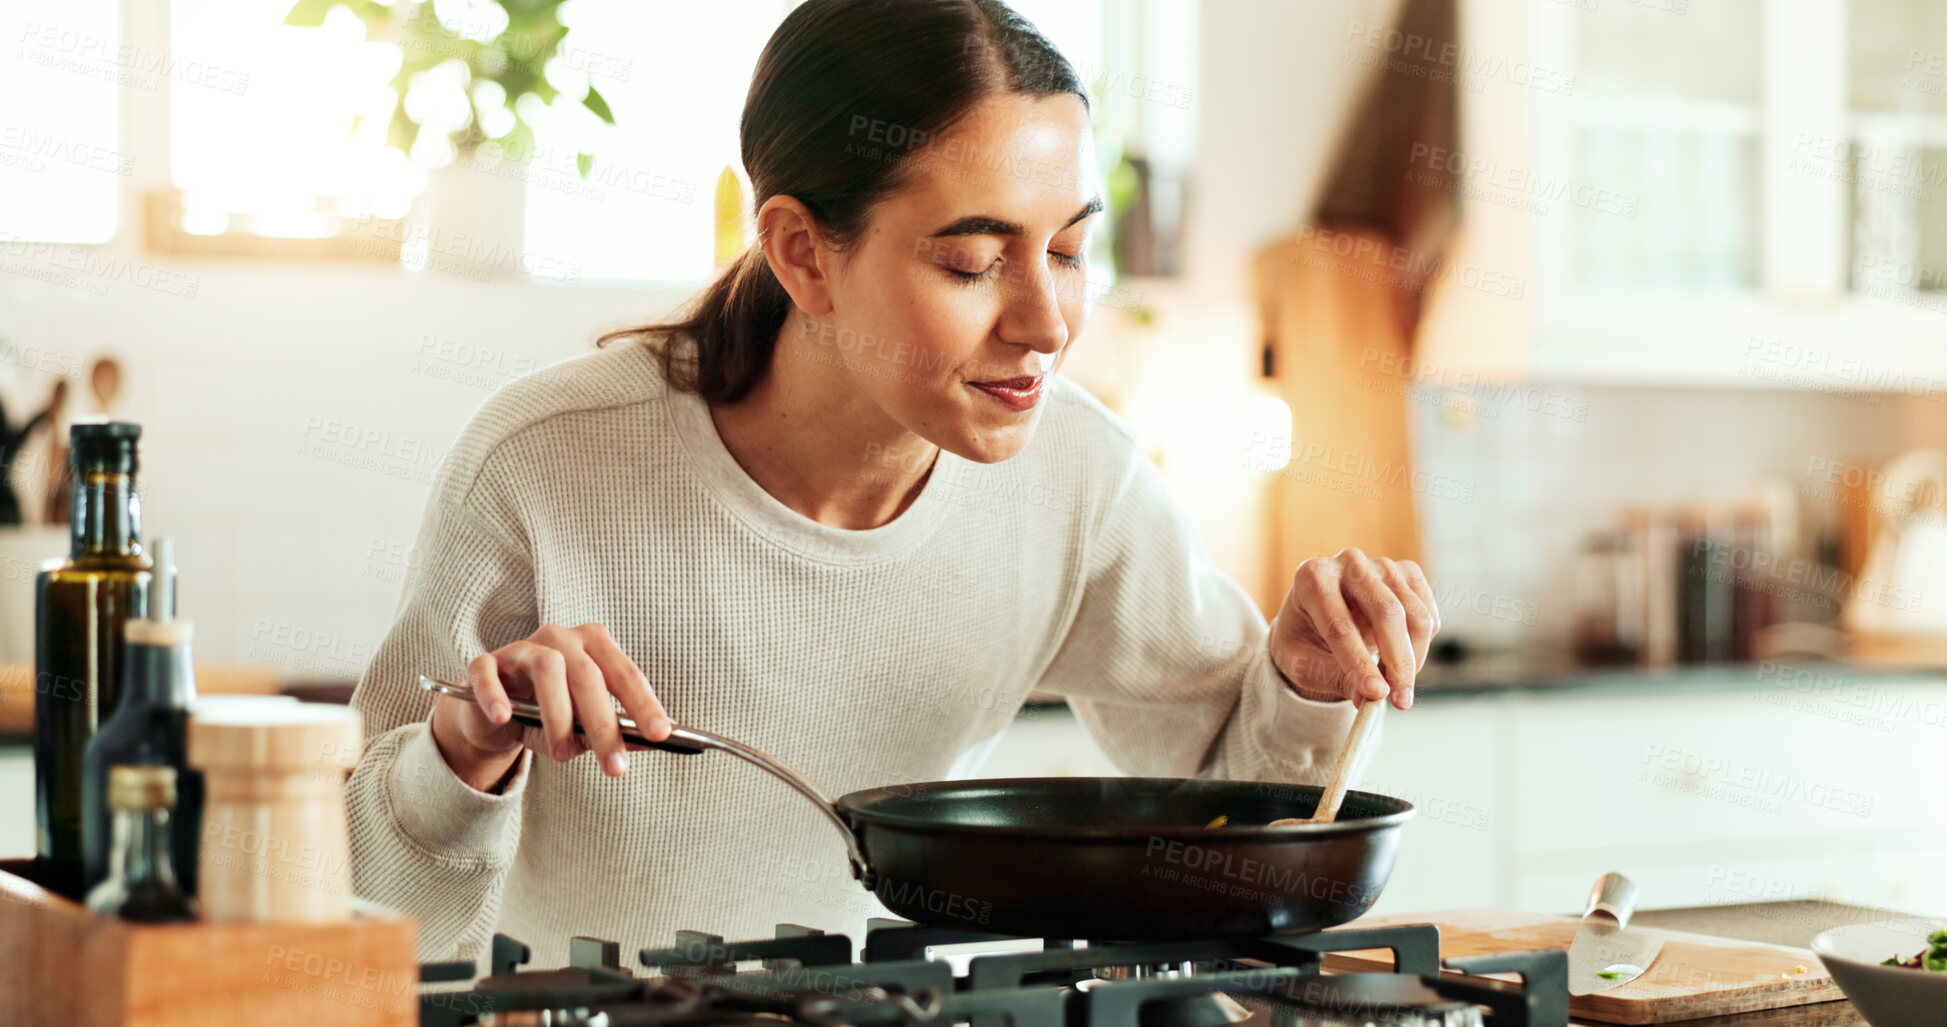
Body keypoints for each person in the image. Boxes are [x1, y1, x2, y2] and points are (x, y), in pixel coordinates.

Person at [346, 0, 1439, 971]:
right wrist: (469, 745)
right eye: (972, 263)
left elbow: (1225, 826)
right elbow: (358, 891)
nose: (1047, 323)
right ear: (803, 253)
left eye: (1066, 251)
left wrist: (1300, 679)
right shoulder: (548, 459)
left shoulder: (1078, 477)